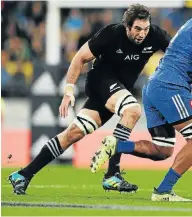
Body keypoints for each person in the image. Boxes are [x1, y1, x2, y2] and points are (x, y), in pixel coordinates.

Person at [8, 4, 171, 195]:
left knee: (73, 133)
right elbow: (79, 58)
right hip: (100, 82)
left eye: (145, 28)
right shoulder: (111, 34)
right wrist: (68, 90)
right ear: (127, 26)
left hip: (118, 91)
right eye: (137, 29)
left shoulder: (157, 35)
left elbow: (179, 51)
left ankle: (23, 174)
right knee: (132, 110)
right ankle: (112, 174)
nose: (142, 33)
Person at [90, 0, 192, 201]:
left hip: (154, 86)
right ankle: (162, 191)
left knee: (163, 149)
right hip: (171, 87)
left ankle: (116, 145)